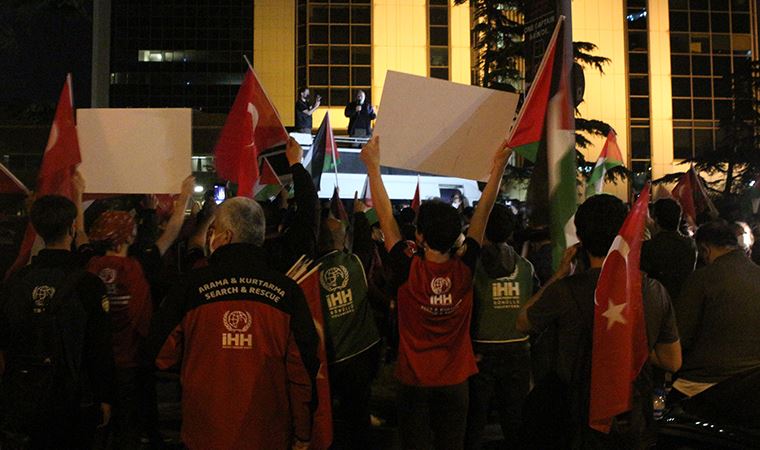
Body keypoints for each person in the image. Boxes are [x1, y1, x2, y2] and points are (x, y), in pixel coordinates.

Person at [361, 135, 510, 450]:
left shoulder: (406, 269)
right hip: (456, 382)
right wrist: (499, 167)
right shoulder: (465, 268)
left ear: (419, 236)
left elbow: (386, 219)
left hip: (413, 382)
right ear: (458, 236)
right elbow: (483, 212)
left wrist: (373, 168)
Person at [147, 196, 320, 450]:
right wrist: (303, 433)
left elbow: (161, 354)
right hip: (268, 433)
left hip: (205, 433)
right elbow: (302, 370)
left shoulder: (190, 288)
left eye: (212, 230)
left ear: (225, 237)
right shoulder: (287, 292)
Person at [516, 194, 682, 449]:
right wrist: (626, 344)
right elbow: (672, 360)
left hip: (578, 421)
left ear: (580, 239)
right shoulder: (652, 290)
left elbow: (523, 322)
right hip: (634, 421)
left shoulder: (564, 292)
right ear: (624, 234)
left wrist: (558, 276)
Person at [0, 189, 115, 449]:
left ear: (38, 229)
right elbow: (99, 347)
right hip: (74, 397)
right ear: (72, 228)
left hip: (26, 395)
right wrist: (105, 396)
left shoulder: (16, 281)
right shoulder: (88, 284)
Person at [85, 176, 193, 449]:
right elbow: (173, 232)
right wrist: (185, 196)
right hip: (132, 364)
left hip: (97, 365)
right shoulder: (140, 266)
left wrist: (76, 196)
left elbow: (77, 232)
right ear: (129, 235)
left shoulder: (90, 265)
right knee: (130, 430)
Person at [465, 204, 537, 450]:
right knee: (515, 421)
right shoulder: (526, 268)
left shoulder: (472, 267)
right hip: (517, 348)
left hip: (480, 350)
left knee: (474, 420)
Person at [315, 198, 382, 449]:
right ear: (342, 240)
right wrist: (360, 214)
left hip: (331, 358)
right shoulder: (354, 264)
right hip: (362, 353)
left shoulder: (310, 274)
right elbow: (365, 244)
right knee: (358, 418)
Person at [671, 221, 760, 403]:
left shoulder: (702, 279)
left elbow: (681, 336)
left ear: (705, 249)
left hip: (703, 382)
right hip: (752, 381)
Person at [641, 198, 697, 301]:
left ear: (656, 220)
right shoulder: (691, 245)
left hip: (657, 301)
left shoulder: (648, 248)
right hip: (683, 301)